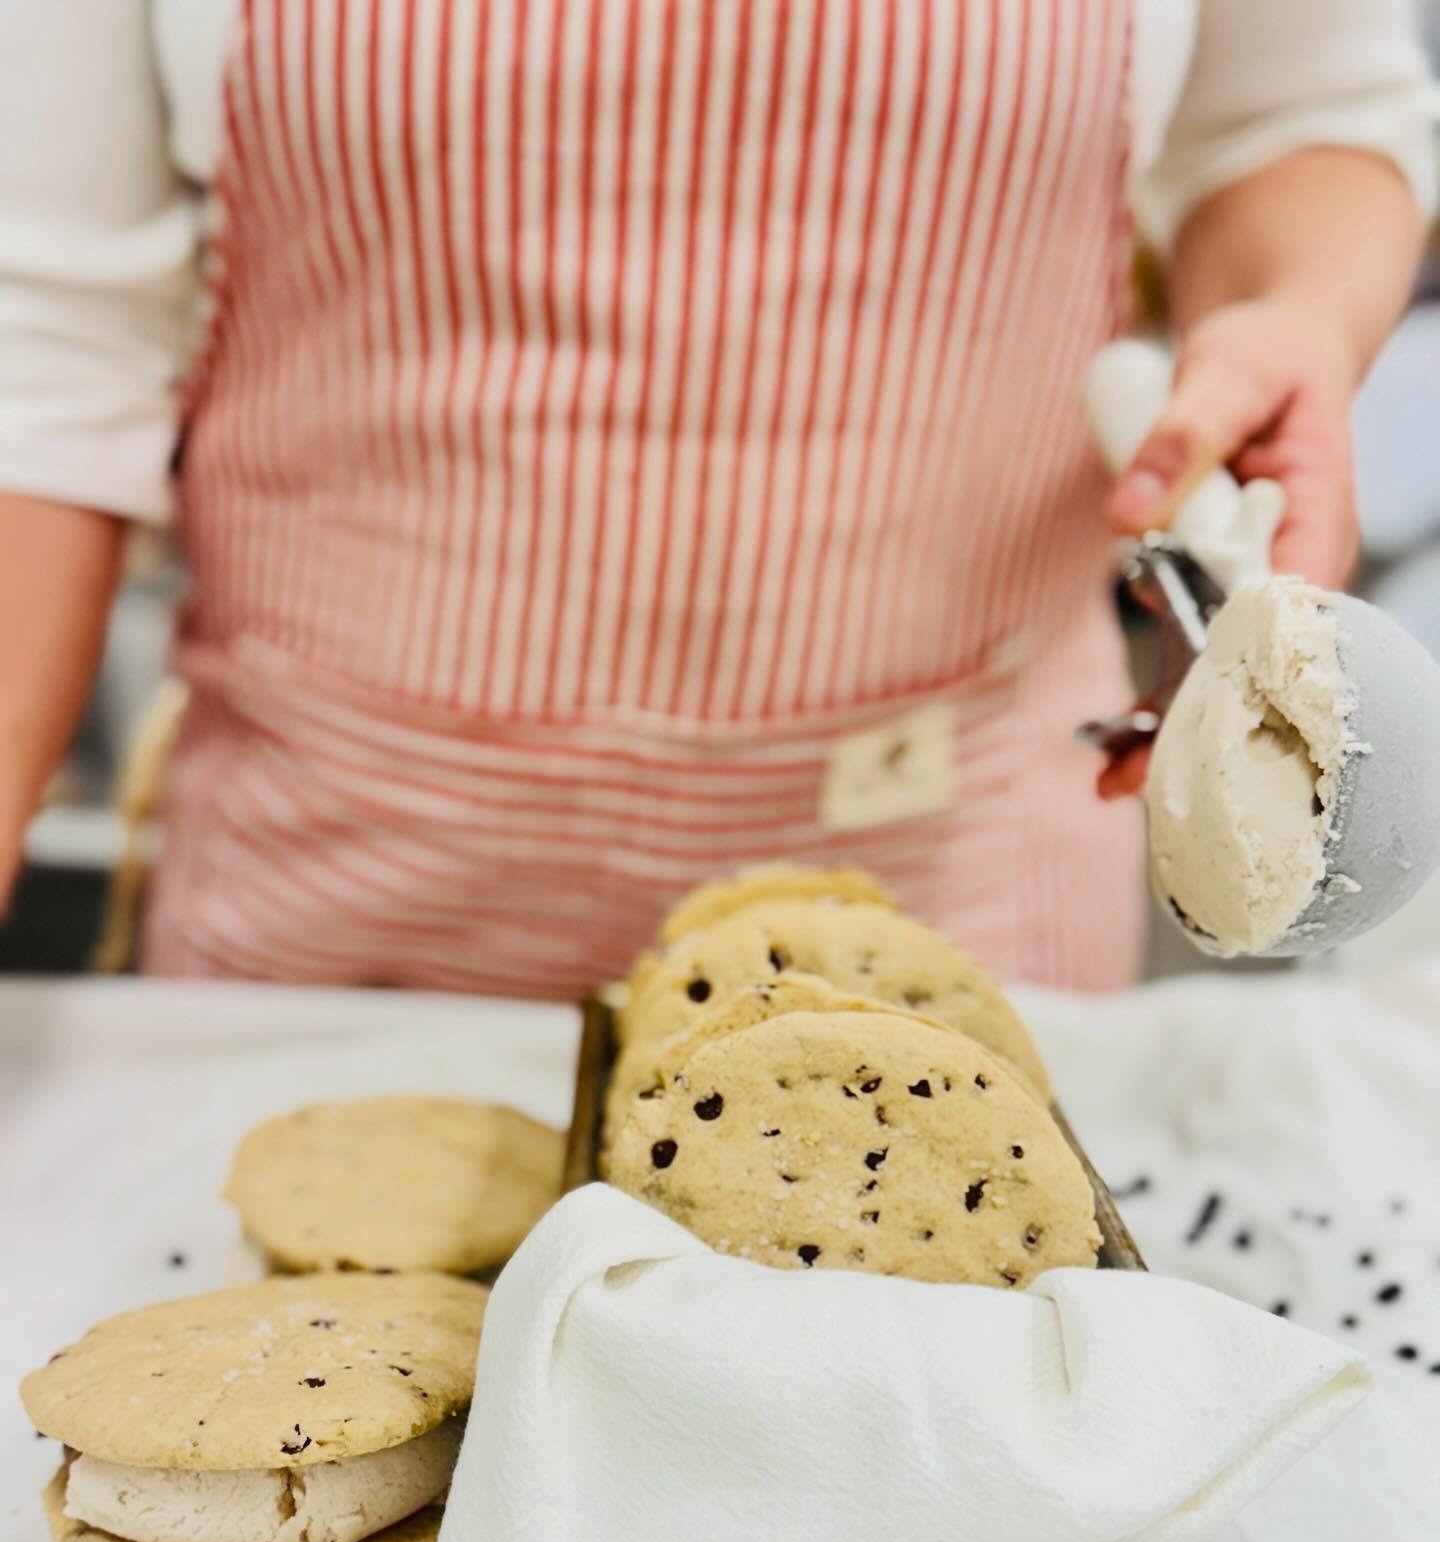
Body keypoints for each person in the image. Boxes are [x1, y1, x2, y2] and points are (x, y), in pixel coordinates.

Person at [0, 0, 1432, 996]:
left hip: (953, 872)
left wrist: (1291, 314)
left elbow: (1293, 115)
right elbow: (40, 357)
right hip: (330, 885)